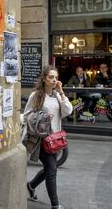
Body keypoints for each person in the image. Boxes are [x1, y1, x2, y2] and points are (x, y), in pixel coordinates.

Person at [24, 66, 73, 209]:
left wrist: (62, 92)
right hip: (41, 140)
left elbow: (68, 111)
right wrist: (42, 118)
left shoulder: (57, 96)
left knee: (49, 168)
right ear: (44, 78)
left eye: (56, 77)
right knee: (52, 169)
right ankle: (55, 205)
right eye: (51, 77)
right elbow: (26, 115)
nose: (54, 80)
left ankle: (31, 185)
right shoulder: (36, 95)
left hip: (55, 139)